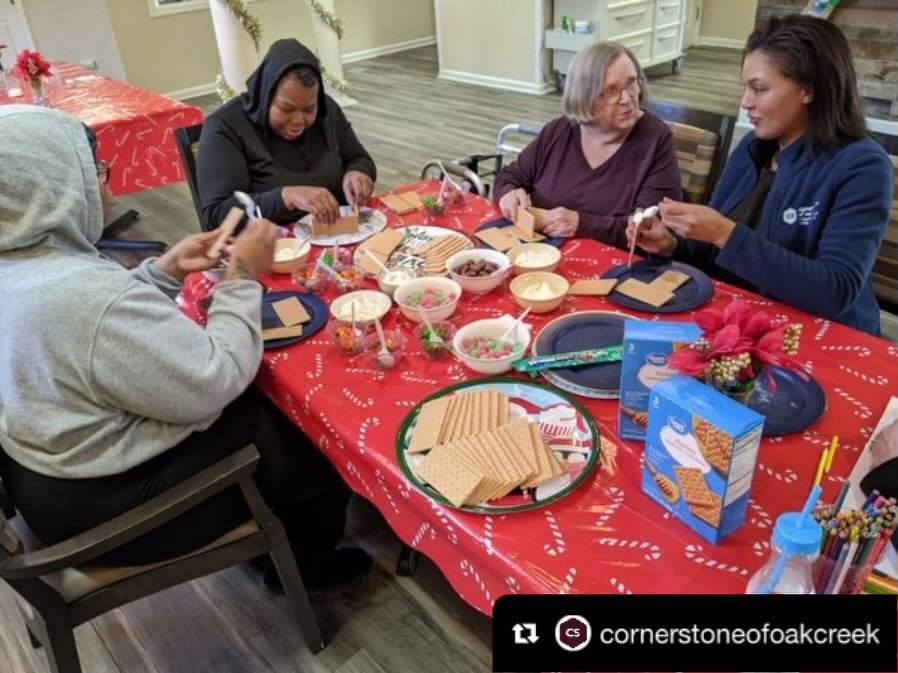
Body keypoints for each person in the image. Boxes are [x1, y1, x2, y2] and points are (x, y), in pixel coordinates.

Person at [0, 105, 369, 591]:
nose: (108, 185)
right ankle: (303, 562)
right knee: (303, 428)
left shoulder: (24, 267)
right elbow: (213, 378)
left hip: (51, 484)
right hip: (112, 514)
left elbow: (92, 342)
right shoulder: (80, 295)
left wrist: (162, 271)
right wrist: (241, 278)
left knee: (263, 402)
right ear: (56, 188)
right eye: (98, 173)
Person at [628, 15, 893, 335]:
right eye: (745, 88)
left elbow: (835, 291)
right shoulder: (753, 149)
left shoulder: (862, 166)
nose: (745, 103)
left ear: (808, 88)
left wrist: (724, 233)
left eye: (760, 88)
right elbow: (713, 254)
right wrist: (671, 244)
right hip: (740, 323)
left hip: (821, 337)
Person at [493, 41, 682, 248]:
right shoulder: (560, 130)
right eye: (611, 90)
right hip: (540, 254)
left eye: (631, 83)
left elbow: (650, 229)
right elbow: (509, 176)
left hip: (612, 265)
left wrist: (582, 224)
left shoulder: (655, 139)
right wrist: (508, 193)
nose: (627, 99)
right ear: (584, 96)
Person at [197, 38, 376, 230]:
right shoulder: (225, 127)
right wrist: (285, 197)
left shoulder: (327, 110)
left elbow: (359, 158)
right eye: (286, 109)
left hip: (337, 234)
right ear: (265, 96)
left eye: (309, 109)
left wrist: (358, 172)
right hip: (270, 247)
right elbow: (216, 215)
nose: (299, 121)